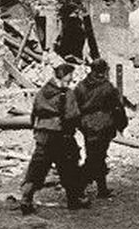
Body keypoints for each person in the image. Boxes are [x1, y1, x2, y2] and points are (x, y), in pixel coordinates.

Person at [20, 62, 90, 214]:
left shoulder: (42, 91)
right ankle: (74, 199)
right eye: (70, 76)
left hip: (43, 136)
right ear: (65, 76)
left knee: (37, 168)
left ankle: (26, 198)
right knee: (69, 167)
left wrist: (37, 129)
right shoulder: (67, 94)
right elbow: (72, 115)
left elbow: (34, 112)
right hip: (61, 135)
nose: (72, 79)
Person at [71, 58, 127, 198]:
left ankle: (102, 189)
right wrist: (121, 124)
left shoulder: (81, 86)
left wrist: (78, 124)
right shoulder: (107, 87)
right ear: (104, 70)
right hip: (103, 125)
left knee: (96, 156)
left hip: (87, 126)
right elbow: (117, 107)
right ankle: (78, 186)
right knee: (95, 158)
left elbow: (73, 106)